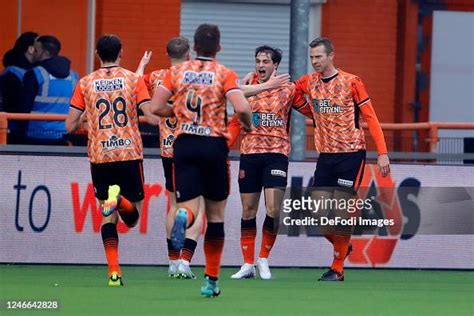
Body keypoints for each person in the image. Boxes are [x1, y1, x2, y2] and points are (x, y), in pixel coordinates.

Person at [142, 23, 252, 297]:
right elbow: (241, 106)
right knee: (216, 217)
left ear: (194, 47)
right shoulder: (224, 73)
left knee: (188, 206)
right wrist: (247, 124)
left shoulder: (176, 72)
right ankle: (210, 281)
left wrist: (177, 111)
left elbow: (155, 108)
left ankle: (183, 216)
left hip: (184, 144)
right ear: (219, 48)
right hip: (213, 145)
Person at [294, 37, 390, 281]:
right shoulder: (308, 82)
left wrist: (382, 153)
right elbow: (289, 95)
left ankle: (337, 267)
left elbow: (371, 118)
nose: (314, 61)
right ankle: (342, 246)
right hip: (325, 155)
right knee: (316, 213)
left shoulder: (352, 82)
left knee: (340, 212)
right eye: (312, 57)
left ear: (331, 56)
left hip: (351, 154)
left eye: (319, 56)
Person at [65, 34, 151, 286]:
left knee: (107, 216)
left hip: (100, 154)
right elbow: (148, 112)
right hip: (128, 152)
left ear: (96, 53)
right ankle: (120, 199)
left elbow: (70, 125)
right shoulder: (133, 79)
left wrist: (86, 118)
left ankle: (114, 272)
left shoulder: (85, 83)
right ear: (121, 52)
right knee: (133, 218)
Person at [227, 45, 312, 280]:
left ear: (275, 65)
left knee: (274, 208)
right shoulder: (246, 85)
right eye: (258, 61)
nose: (261, 65)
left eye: (266, 61)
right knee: (248, 210)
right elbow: (231, 94)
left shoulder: (288, 88)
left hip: (276, 153)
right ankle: (247, 264)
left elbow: (311, 111)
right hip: (250, 153)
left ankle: (263, 259)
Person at [136, 37, 205, 279]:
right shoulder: (198, 76)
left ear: (168, 55)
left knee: (174, 204)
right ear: (189, 54)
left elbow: (134, 84)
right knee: (199, 206)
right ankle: (185, 260)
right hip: (194, 147)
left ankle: (172, 261)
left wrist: (143, 66)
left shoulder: (157, 77)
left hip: (168, 149)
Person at [23, 35, 78, 145]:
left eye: (36, 50)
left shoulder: (35, 74)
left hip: (36, 134)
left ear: (45, 53)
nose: (32, 53)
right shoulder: (74, 76)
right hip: (63, 134)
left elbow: (23, 106)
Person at [0, 32, 38, 143]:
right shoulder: (12, 73)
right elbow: (14, 104)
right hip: (14, 127)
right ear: (30, 49)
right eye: (39, 48)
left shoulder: (31, 71)